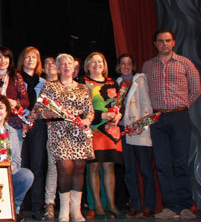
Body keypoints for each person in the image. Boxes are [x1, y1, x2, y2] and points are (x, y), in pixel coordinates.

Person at [143, 29, 201, 219]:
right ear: (155, 44)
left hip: (179, 117)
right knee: (162, 163)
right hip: (157, 119)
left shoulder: (185, 63)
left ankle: (185, 206)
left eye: (167, 40)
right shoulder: (148, 66)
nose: (164, 44)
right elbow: (144, 93)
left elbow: (196, 90)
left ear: (173, 42)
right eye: (160, 41)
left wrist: (182, 106)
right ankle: (170, 206)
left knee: (180, 162)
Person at [32, 54, 94, 222]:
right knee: (64, 168)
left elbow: (90, 110)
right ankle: (64, 210)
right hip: (58, 131)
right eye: (63, 64)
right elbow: (37, 109)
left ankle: (76, 211)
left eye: (70, 64)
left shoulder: (82, 87)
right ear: (58, 69)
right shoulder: (49, 87)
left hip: (79, 131)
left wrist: (87, 121)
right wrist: (46, 113)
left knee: (80, 168)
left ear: (74, 68)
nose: (67, 66)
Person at [82, 52, 123, 219]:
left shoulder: (113, 83)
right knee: (94, 167)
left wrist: (118, 115)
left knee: (109, 167)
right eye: (92, 62)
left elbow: (118, 104)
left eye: (99, 61)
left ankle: (111, 205)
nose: (96, 64)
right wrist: (101, 116)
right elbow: (83, 107)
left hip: (111, 131)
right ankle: (97, 205)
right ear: (87, 66)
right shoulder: (84, 83)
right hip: (93, 129)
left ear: (104, 64)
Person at [116, 54, 155, 218]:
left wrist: (143, 126)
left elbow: (147, 105)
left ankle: (148, 206)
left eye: (129, 63)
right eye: (122, 64)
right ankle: (135, 204)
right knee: (129, 171)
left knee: (146, 171)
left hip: (139, 131)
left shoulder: (140, 80)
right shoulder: (116, 83)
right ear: (118, 66)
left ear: (133, 66)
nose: (125, 66)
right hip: (124, 132)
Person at [16, 47, 48, 220]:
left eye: (34, 57)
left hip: (38, 125)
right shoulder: (16, 79)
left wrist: (38, 112)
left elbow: (47, 103)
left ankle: (37, 206)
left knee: (37, 166)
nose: (30, 60)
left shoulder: (43, 82)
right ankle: (17, 206)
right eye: (27, 57)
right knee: (19, 165)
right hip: (19, 124)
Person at [41, 55, 59, 219]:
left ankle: (72, 205)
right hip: (49, 129)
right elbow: (38, 109)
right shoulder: (43, 86)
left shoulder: (71, 84)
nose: (50, 66)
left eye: (54, 63)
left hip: (70, 130)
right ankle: (49, 203)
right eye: (46, 63)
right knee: (53, 167)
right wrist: (44, 112)